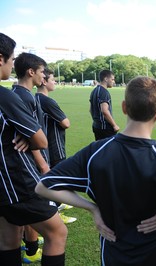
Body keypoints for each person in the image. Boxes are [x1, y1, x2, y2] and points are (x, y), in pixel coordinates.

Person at [35, 76, 156, 265]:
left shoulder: (95, 152)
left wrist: (92, 208)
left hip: (115, 253)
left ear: (124, 107)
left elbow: (43, 186)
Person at [0, 33, 67, 266]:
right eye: (10, 59)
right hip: (17, 181)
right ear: (1, 59)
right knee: (57, 233)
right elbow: (40, 140)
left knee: (8, 238)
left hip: (4, 185)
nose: (11, 64)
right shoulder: (6, 96)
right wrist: (31, 141)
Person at [35, 68, 77, 224]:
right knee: (55, 178)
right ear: (44, 81)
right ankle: (55, 211)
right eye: (52, 79)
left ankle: (55, 206)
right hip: (54, 145)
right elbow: (66, 123)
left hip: (42, 147)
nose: (55, 82)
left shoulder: (34, 98)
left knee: (47, 178)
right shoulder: (47, 101)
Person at [89, 69, 120, 140]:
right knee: (110, 150)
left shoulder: (94, 91)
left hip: (96, 126)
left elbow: (91, 110)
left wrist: (97, 121)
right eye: (112, 79)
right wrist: (114, 125)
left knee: (100, 149)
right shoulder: (104, 92)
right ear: (106, 79)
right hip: (105, 128)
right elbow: (104, 111)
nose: (114, 82)